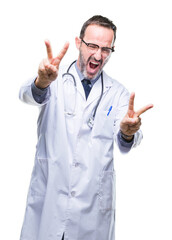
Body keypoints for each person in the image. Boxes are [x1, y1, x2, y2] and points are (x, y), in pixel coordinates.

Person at [19, 15, 153, 240]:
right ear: (78, 43)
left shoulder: (117, 93)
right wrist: (42, 81)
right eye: (92, 46)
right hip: (49, 201)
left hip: (91, 212)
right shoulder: (55, 78)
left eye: (106, 49)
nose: (98, 55)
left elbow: (126, 136)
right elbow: (26, 95)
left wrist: (128, 133)